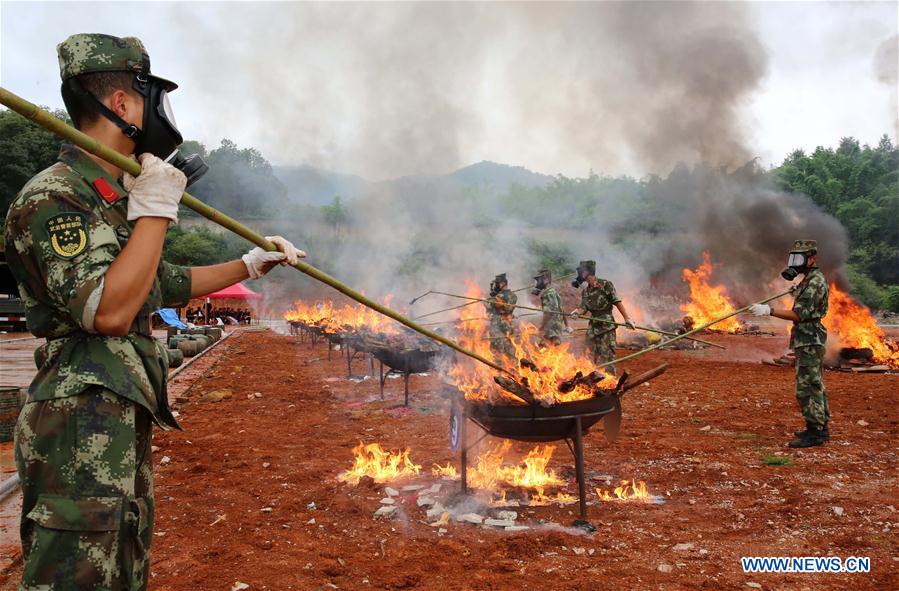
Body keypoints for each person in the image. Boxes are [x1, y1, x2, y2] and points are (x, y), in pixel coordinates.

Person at [3, 34, 304, 590]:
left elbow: (160, 284)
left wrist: (249, 264)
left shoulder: (112, 197)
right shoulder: (56, 196)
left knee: (122, 565)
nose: (161, 115)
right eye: (150, 97)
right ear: (121, 104)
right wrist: (157, 212)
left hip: (115, 409)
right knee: (77, 576)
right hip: (78, 420)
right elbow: (111, 311)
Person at [750, 239, 830, 448]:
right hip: (807, 338)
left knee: (807, 386)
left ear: (812, 258)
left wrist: (769, 310)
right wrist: (796, 291)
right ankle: (819, 426)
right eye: (793, 258)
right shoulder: (808, 280)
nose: (796, 262)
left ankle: (816, 432)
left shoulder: (814, 282)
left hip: (810, 338)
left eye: (800, 258)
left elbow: (798, 314)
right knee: (814, 383)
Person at [569, 260, 635, 373]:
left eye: (581, 271)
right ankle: (594, 380)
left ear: (587, 272)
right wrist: (576, 313)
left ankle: (610, 383)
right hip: (593, 327)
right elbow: (583, 308)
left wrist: (627, 319)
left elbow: (616, 301)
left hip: (606, 326)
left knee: (607, 354)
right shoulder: (586, 291)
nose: (579, 274)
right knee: (590, 354)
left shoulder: (605, 284)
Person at [484, 273, 517, 361]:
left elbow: (488, 305)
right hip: (509, 324)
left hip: (498, 325)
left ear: (502, 283)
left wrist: (488, 299)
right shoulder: (513, 296)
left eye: (497, 284)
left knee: (496, 350)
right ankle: (513, 367)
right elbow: (508, 309)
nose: (496, 286)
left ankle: (499, 369)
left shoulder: (499, 297)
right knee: (509, 348)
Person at [532, 268, 567, 347]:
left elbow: (548, 313)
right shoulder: (554, 292)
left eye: (539, 280)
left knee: (541, 350)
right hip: (555, 330)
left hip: (550, 331)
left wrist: (541, 327)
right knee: (552, 352)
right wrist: (567, 325)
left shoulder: (548, 294)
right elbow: (562, 310)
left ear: (546, 280)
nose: (537, 283)